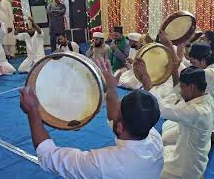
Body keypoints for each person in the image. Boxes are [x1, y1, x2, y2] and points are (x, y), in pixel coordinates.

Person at [19, 58, 164, 179]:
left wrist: (33, 112)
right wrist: (111, 89)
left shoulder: (106, 164)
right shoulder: (153, 138)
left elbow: (48, 156)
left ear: (120, 127)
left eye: (118, 109)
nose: (114, 109)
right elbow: (114, 119)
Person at [134, 31, 214, 179]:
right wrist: (173, 71)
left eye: (183, 87)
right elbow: (176, 94)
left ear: (191, 87)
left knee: (146, 169)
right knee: (161, 142)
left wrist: (146, 78)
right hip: (188, 154)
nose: (181, 90)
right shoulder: (205, 98)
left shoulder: (198, 111)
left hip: (186, 169)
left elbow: (162, 109)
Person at [187, 43, 214, 147]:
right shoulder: (208, 66)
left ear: (203, 61)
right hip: (206, 112)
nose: (191, 65)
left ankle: (213, 137)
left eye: (193, 62)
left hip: (208, 115)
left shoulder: (212, 73)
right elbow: (186, 64)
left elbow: (186, 71)